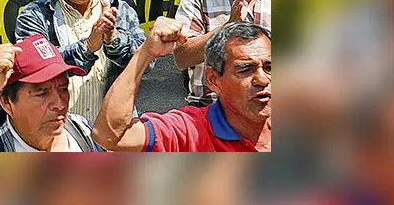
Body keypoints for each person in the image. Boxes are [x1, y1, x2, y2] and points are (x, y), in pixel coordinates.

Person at [14, 0, 146, 121]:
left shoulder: (121, 10)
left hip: (112, 133)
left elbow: (145, 63)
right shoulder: (34, 15)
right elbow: (35, 68)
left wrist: (114, 41)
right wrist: (88, 47)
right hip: (55, 131)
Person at [92, 20, 271, 152]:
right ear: (213, 80)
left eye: (270, 68)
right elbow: (110, 136)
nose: (262, 80)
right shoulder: (189, 130)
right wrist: (145, 53)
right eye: (246, 69)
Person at [0, 38, 105, 152]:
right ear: (6, 102)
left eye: (63, 89)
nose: (59, 104)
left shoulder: (81, 130)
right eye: (42, 93)